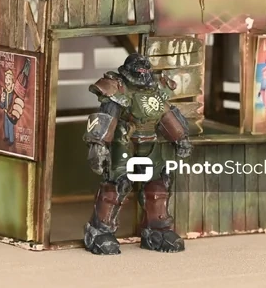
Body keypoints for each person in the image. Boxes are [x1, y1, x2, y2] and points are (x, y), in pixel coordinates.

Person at [82, 53, 193, 255]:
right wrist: (98, 145)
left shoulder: (157, 88)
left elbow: (166, 115)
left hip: (150, 143)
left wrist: (180, 137)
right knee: (117, 185)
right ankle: (100, 230)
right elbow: (107, 116)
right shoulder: (117, 87)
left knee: (157, 185)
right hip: (123, 144)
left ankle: (157, 229)